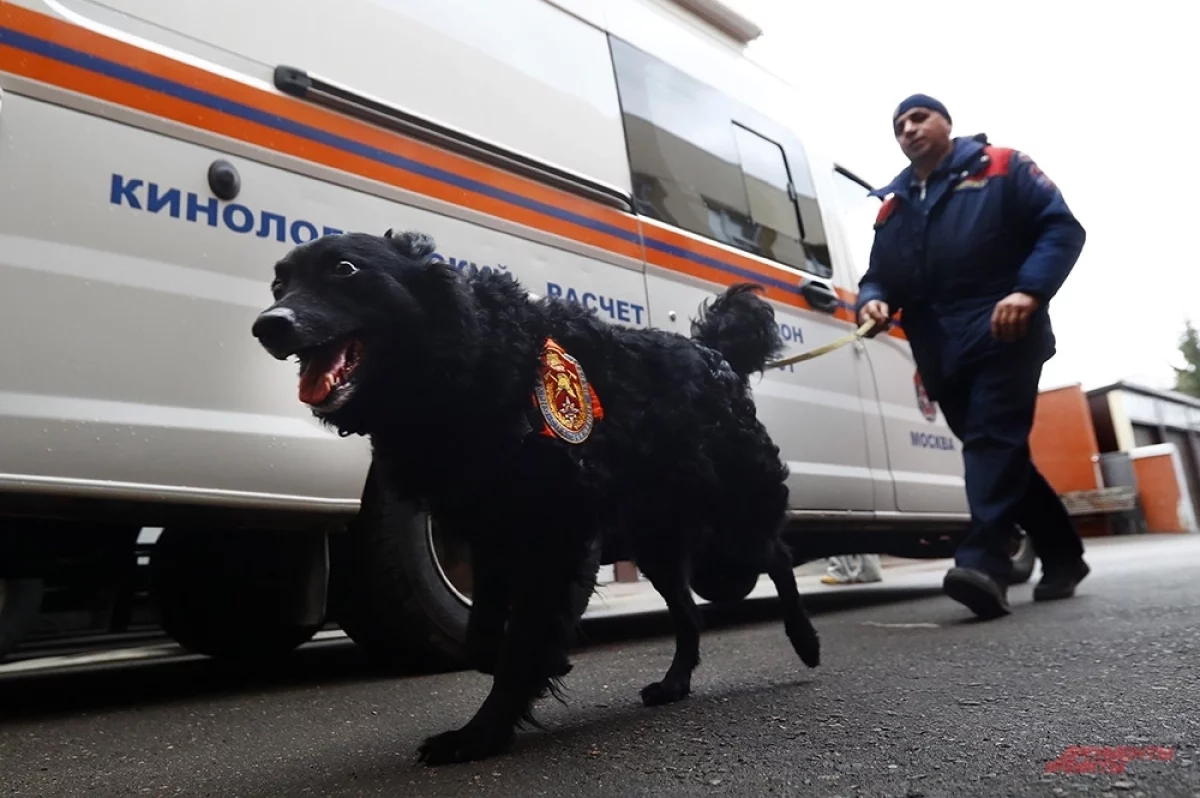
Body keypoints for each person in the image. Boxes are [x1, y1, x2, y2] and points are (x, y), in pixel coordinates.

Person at [855, 94, 1090, 620]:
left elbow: (1060, 228)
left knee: (990, 443)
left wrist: (1029, 291)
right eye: (899, 124)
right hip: (939, 349)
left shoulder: (1003, 167)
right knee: (999, 452)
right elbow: (880, 275)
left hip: (1004, 331)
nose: (909, 129)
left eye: (919, 117)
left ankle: (984, 564)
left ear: (947, 123)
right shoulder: (894, 205)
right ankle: (1064, 555)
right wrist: (872, 299)